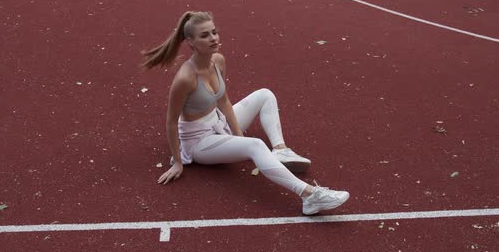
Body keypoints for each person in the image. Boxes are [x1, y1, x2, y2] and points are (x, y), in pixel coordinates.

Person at [141, 11, 349, 215]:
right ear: (190, 42)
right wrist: (178, 161)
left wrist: (237, 136)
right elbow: (170, 122)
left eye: (214, 32)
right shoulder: (185, 79)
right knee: (256, 144)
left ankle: (280, 149)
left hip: (218, 123)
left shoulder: (218, 61)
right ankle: (309, 196)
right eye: (205, 35)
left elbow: (223, 101)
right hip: (198, 143)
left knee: (265, 95)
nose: (213, 38)